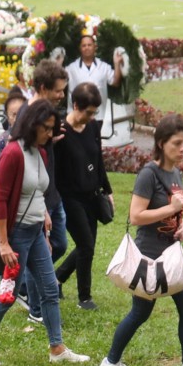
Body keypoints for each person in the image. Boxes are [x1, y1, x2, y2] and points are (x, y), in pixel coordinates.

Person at [0, 100, 90, 366]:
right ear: (32, 125)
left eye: (52, 128)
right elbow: (1, 201)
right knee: (8, 293)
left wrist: (44, 215)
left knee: (49, 289)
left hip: (35, 233)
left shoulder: (40, 153)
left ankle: (57, 347)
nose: (49, 134)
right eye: (46, 128)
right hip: (16, 236)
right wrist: (3, 243)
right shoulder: (13, 153)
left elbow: (37, 191)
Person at [99, 114, 183, 366]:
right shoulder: (149, 174)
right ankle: (110, 363)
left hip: (172, 253)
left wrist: (182, 223)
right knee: (140, 312)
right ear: (161, 143)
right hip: (150, 257)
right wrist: (171, 209)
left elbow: (176, 211)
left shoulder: (175, 173)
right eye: (177, 143)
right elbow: (136, 216)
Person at [52, 82, 111, 311]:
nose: (91, 117)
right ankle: (84, 298)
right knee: (86, 245)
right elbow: (54, 169)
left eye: (94, 112)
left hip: (92, 195)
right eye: (88, 112)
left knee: (88, 245)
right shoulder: (61, 131)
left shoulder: (93, 127)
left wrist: (107, 190)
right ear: (75, 105)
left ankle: (58, 278)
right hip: (69, 197)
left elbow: (98, 161)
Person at [31, 59, 72, 266]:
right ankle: (28, 287)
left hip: (53, 194)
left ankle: (30, 283)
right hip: (38, 199)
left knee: (60, 244)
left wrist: (50, 140)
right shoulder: (30, 116)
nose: (62, 96)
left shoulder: (46, 114)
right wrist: (42, 209)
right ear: (43, 88)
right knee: (39, 252)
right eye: (58, 91)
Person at [63, 32, 120, 138]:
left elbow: (115, 82)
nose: (87, 48)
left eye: (89, 45)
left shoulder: (104, 67)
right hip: (76, 114)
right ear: (80, 48)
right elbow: (60, 82)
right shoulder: (71, 68)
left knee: (93, 141)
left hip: (97, 116)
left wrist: (117, 63)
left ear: (95, 47)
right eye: (84, 45)